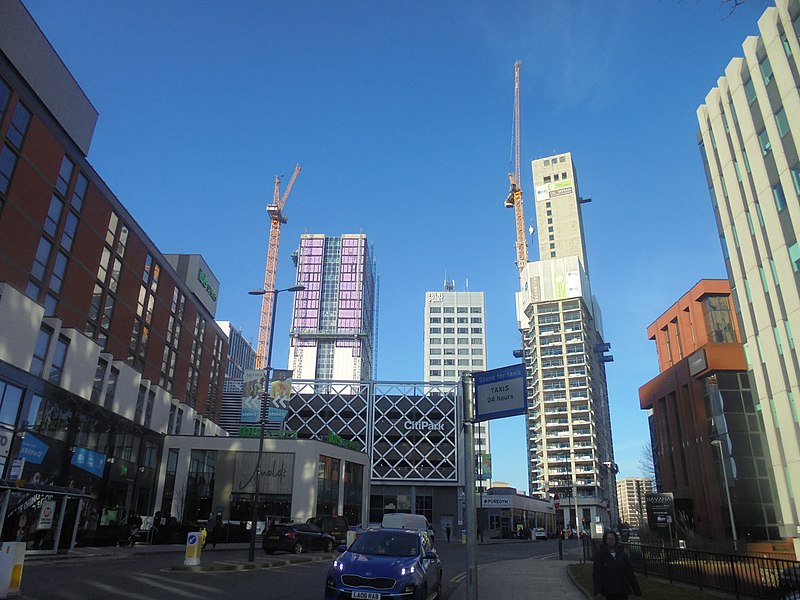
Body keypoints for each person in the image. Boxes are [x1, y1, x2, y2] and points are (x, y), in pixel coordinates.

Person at [593, 530, 641, 600]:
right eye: (608, 539)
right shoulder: (600, 555)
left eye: (612, 538)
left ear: (615, 539)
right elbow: (596, 574)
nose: (610, 541)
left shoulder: (622, 555)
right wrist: (598, 591)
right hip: (608, 590)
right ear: (605, 540)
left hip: (622, 589)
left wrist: (636, 590)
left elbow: (629, 573)